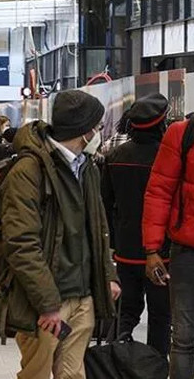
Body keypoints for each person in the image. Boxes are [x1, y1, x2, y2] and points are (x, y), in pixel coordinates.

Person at [0, 90, 120, 379]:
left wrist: (108, 274)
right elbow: (21, 244)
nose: (99, 132)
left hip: (83, 295)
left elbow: (98, 226)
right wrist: (47, 304)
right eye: (97, 127)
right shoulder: (28, 170)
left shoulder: (87, 167)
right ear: (84, 130)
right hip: (46, 301)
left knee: (73, 374)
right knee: (36, 373)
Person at [102, 93, 170, 356]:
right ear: (161, 123)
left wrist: (112, 241)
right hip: (161, 251)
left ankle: (118, 358)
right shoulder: (166, 158)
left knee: (126, 312)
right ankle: (156, 364)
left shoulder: (115, 155)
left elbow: (105, 201)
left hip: (126, 249)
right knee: (160, 315)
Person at [144, 109, 194, 378]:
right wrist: (151, 249)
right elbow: (158, 192)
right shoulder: (181, 134)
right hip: (187, 253)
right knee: (184, 338)